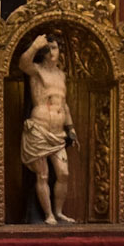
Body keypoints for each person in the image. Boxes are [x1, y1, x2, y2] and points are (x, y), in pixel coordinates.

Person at [17, 32, 75, 223]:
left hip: (58, 133)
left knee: (63, 174)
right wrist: (34, 46)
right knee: (43, 175)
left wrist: (71, 129)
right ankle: (49, 215)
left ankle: (58, 212)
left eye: (55, 48)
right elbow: (22, 64)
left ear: (60, 51)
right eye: (48, 48)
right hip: (40, 129)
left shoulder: (61, 75)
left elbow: (64, 104)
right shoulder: (36, 70)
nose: (52, 52)